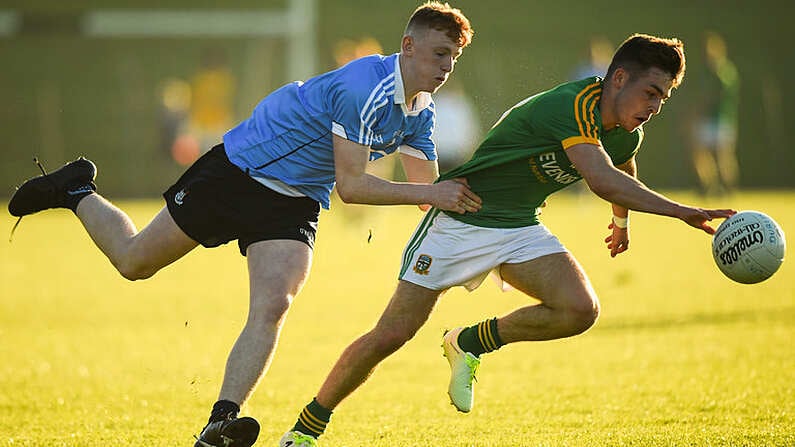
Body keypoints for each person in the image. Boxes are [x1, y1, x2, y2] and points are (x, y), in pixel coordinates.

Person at [6, 3, 478, 447]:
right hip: (240, 169)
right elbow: (353, 188)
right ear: (408, 46)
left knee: (274, 303)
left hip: (292, 202)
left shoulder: (420, 112)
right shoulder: (365, 88)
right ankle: (75, 191)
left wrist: (488, 227)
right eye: (439, 54)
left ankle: (220, 421)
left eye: (453, 59)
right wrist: (433, 195)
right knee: (133, 262)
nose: (445, 68)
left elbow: (429, 193)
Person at [279, 33, 736, 447]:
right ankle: (306, 429)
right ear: (618, 78)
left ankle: (470, 341)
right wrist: (681, 210)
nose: (655, 106)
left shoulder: (624, 130)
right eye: (651, 92)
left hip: (518, 226)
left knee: (580, 309)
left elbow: (623, 168)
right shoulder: (576, 104)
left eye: (664, 98)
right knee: (390, 335)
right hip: (461, 217)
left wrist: (622, 222)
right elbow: (600, 178)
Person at [688, 31, 740, 197]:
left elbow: (710, 97)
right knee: (702, 154)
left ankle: (727, 188)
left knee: (722, 156)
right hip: (712, 120)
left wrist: (695, 112)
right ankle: (709, 186)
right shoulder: (722, 71)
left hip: (719, 120)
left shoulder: (722, 72)